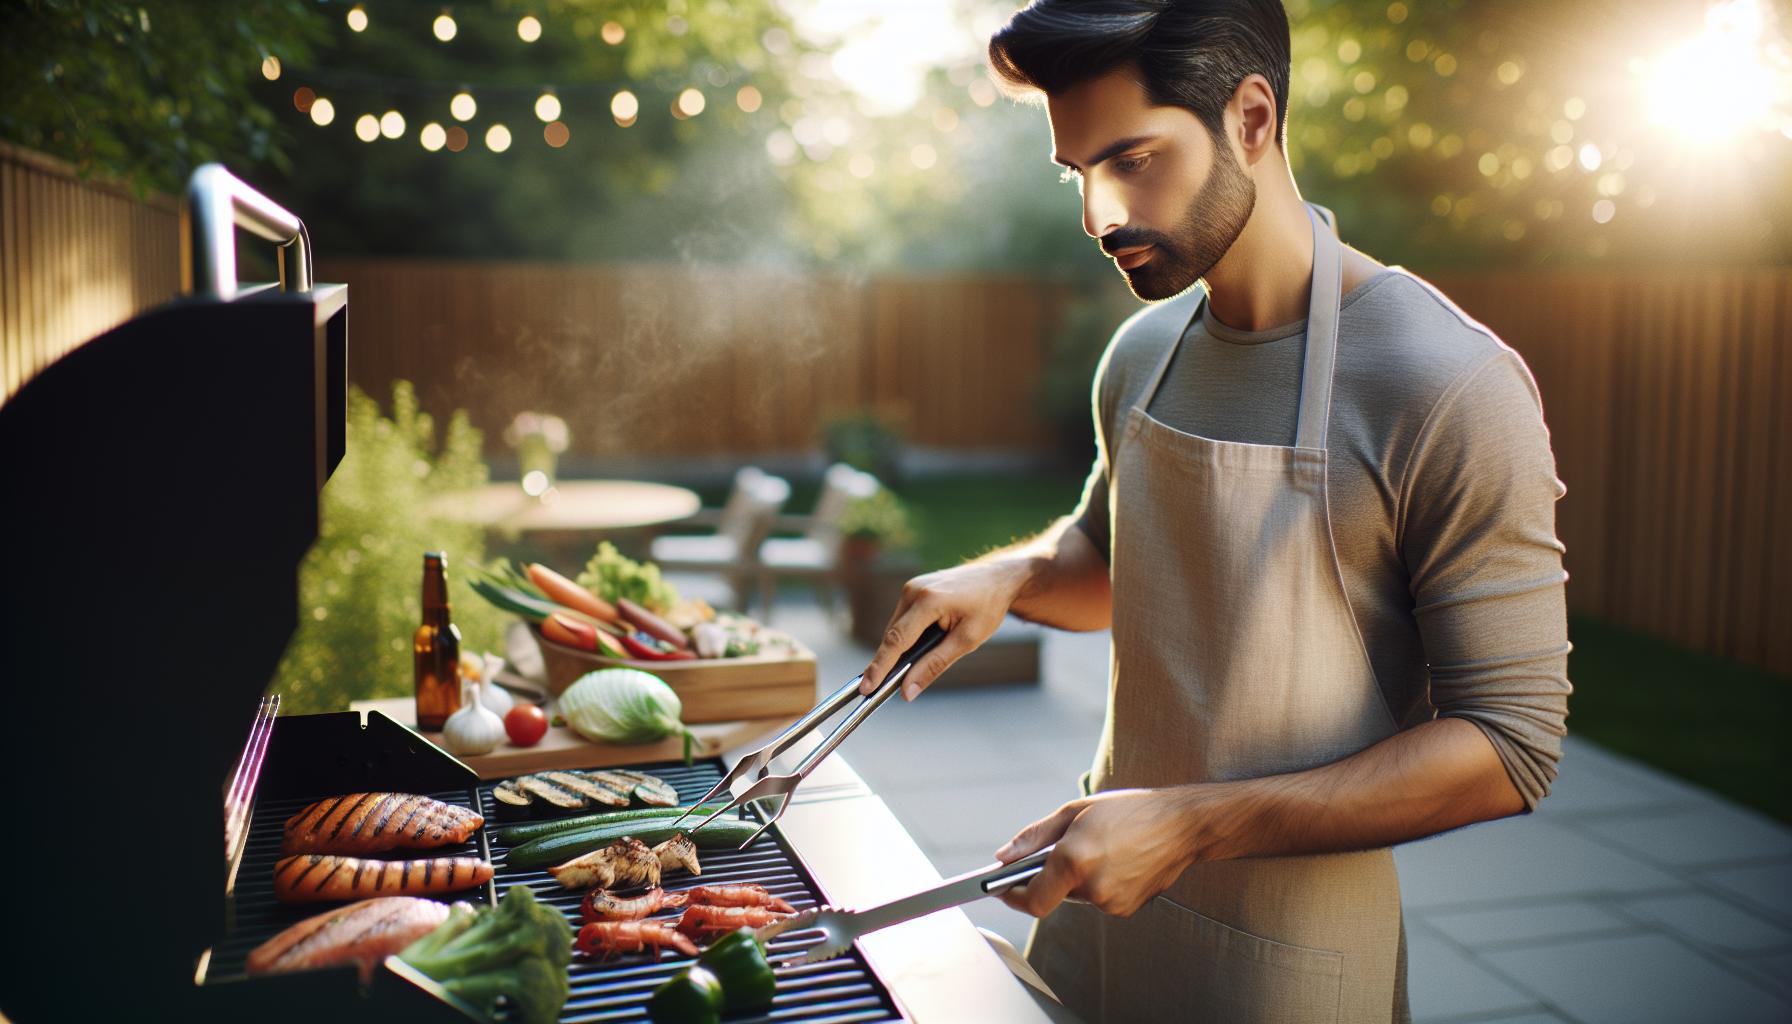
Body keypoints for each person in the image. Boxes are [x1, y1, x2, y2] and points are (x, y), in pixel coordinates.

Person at [856, 2, 1572, 1021]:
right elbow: (1112, 569)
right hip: (1096, 917)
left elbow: (1509, 745)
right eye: (1078, 175)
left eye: (1132, 161)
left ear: (1250, 117)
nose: (1098, 217)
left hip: (1291, 963)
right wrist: (1010, 576)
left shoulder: (1442, 383)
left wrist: (1190, 826)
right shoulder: (1142, 355)